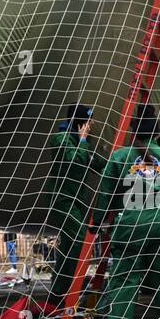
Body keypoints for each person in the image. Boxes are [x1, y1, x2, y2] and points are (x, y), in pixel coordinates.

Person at [91, 105, 160, 319]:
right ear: (157, 132)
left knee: (124, 286)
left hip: (130, 225)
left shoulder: (119, 157)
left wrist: (98, 221)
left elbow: (106, 194)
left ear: (133, 132)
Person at [43, 104, 104, 307]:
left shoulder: (79, 142)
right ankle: (69, 292)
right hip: (63, 201)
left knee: (68, 248)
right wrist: (84, 140)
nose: (92, 124)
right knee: (78, 242)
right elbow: (75, 161)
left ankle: (58, 295)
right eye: (89, 120)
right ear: (80, 122)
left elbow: (96, 163)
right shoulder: (61, 139)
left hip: (76, 202)